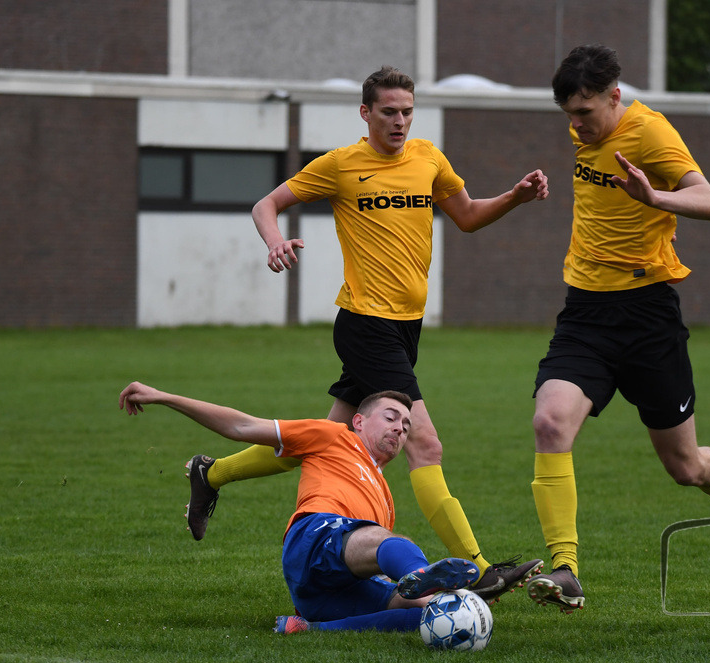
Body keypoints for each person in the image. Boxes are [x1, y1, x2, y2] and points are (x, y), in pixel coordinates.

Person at [199, 65, 547, 603]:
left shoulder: (429, 158)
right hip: (365, 325)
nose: (400, 121)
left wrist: (515, 198)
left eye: (407, 111)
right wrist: (274, 242)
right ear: (366, 114)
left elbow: (469, 215)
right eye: (389, 111)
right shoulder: (340, 166)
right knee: (423, 441)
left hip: (406, 330)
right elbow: (264, 204)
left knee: (325, 441)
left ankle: (213, 475)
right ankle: (479, 570)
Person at [524, 45, 710, 614]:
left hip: (647, 317)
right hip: (585, 313)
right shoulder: (587, 131)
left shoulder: (650, 134)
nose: (577, 126)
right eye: (569, 116)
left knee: (685, 467)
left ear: (615, 96)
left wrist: (654, 196)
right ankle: (566, 568)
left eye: (585, 113)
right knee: (550, 423)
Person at [119, 383, 482, 634]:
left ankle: (310, 629)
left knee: (422, 615)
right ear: (359, 420)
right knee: (391, 544)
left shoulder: (385, 497)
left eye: (406, 425)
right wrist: (162, 396)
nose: (400, 429)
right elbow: (242, 425)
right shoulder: (333, 436)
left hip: (325, 592)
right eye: (390, 417)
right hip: (315, 538)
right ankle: (423, 576)